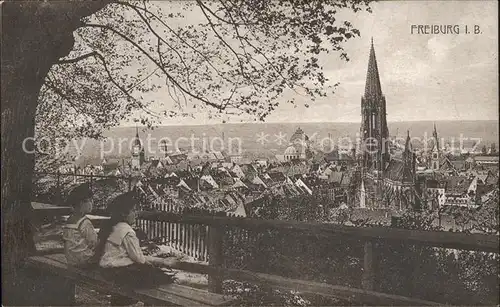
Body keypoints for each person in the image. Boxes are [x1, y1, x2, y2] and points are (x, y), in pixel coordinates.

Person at [93, 191, 175, 304]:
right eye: (133, 211)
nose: (136, 214)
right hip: (120, 273)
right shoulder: (127, 231)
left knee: (147, 274)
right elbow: (139, 258)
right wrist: (159, 262)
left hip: (106, 271)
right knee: (160, 277)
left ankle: (120, 302)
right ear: (123, 214)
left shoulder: (112, 227)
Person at [62, 183, 97, 267]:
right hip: (84, 260)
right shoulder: (85, 222)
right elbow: (93, 242)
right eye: (89, 200)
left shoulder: (69, 220)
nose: (91, 203)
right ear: (81, 203)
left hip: (71, 259)